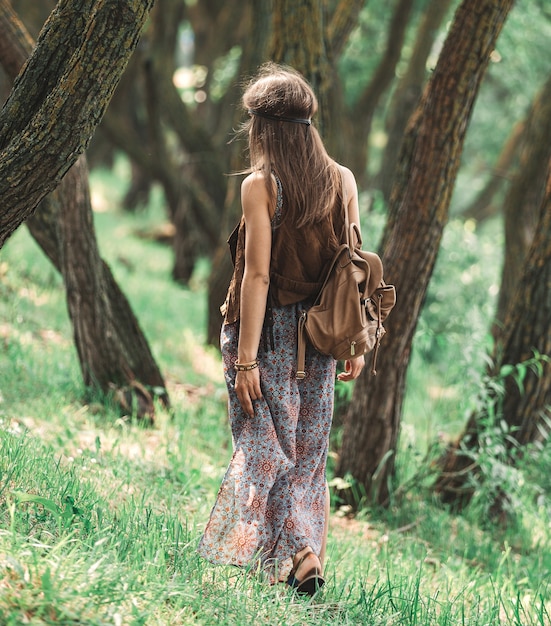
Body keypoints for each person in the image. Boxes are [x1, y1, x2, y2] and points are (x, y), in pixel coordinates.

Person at [198, 62, 364, 596]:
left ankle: (299, 553)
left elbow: (258, 275)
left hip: (268, 336)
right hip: (321, 339)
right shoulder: (343, 180)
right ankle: (298, 559)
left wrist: (245, 359)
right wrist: (356, 342)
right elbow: (353, 263)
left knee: (265, 448)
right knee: (309, 456)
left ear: (261, 127)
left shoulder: (261, 185)